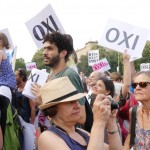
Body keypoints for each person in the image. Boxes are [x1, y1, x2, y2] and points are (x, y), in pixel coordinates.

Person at [38, 77, 122, 150]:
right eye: (70, 102)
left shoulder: (81, 133)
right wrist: (98, 123)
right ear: (52, 109)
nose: (77, 106)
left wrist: (111, 121)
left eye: (77, 101)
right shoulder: (47, 137)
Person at [31, 32, 93, 132]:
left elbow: (81, 118)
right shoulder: (51, 76)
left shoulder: (69, 75)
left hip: (70, 140)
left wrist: (43, 103)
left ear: (63, 53)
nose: (44, 52)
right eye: (44, 48)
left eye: (50, 48)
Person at [124, 71, 150, 150]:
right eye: (134, 85)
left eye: (143, 84)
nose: (137, 88)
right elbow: (130, 136)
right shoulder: (134, 111)